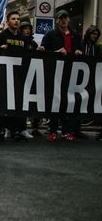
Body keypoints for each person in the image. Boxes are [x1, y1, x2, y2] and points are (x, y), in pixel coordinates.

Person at [39, 10, 83, 142]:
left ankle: (67, 131)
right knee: (55, 101)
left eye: (65, 18)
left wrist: (79, 51)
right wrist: (56, 52)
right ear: (57, 21)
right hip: (55, 73)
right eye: (61, 18)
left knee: (69, 102)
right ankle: (52, 130)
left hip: (71, 73)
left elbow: (80, 49)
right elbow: (43, 52)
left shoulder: (75, 35)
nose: (63, 21)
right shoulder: (50, 34)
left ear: (68, 20)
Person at [0, 10, 32, 141]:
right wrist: (0, 50)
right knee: (4, 102)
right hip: (4, 75)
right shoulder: (0, 37)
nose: (16, 21)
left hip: (20, 75)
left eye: (18, 19)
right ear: (8, 21)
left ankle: (18, 129)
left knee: (19, 102)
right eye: (13, 19)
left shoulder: (24, 39)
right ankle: (2, 128)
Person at [81, 25, 101, 140]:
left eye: (96, 34)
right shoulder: (82, 45)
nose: (94, 36)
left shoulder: (97, 48)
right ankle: (76, 128)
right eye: (93, 34)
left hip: (94, 78)